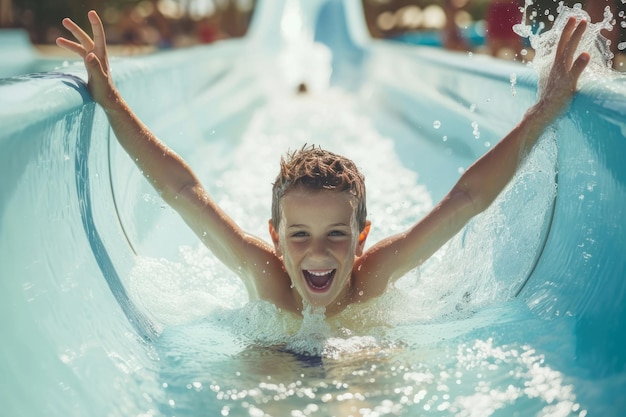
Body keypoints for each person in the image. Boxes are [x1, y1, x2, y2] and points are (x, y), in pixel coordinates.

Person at [56, 11, 590, 318]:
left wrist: (541, 114)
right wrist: (111, 101)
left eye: (337, 234)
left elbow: (466, 200)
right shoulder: (264, 277)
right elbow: (181, 190)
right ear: (274, 235)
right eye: (300, 235)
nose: (317, 251)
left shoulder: (373, 276)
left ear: (361, 238)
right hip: (275, 362)